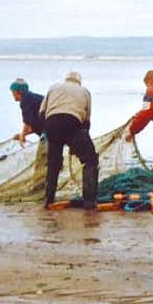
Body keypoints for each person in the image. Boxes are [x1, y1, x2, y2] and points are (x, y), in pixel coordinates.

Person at [39, 71, 98, 208]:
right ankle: (89, 202)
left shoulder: (53, 87)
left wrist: (47, 131)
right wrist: (79, 143)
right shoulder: (85, 92)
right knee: (90, 160)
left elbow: (42, 112)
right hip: (72, 122)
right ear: (79, 81)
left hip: (51, 123)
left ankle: (49, 199)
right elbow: (86, 121)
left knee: (54, 162)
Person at [10, 78, 44, 145]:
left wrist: (22, 135)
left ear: (18, 92)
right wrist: (23, 134)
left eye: (13, 92)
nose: (12, 95)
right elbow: (37, 126)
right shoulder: (32, 97)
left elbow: (27, 122)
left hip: (50, 129)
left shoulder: (25, 100)